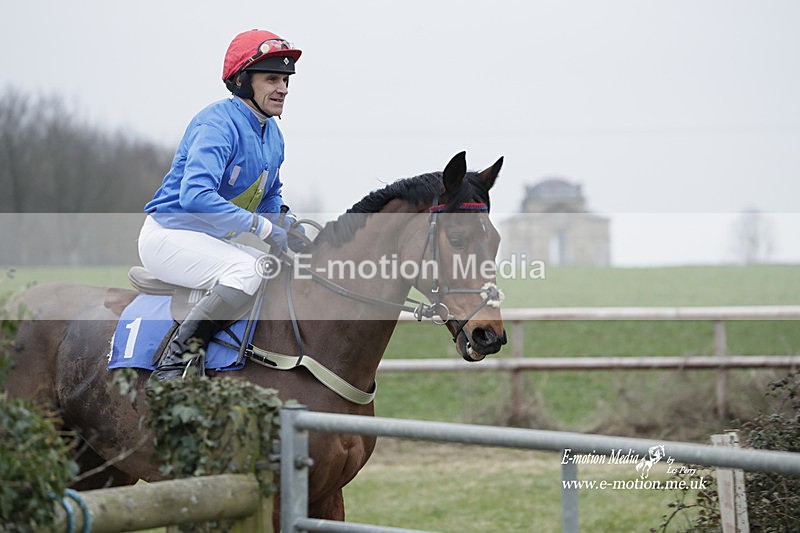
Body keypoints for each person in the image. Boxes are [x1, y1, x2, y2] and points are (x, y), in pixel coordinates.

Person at [138, 28, 304, 381]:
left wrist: (288, 224)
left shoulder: (273, 135)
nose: (284, 88)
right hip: (169, 236)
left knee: (276, 270)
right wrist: (262, 228)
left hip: (210, 241)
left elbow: (268, 197)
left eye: (286, 80)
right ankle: (174, 364)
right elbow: (195, 196)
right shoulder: (216, 123)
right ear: (242, 81)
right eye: (272, 79)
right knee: (249, 270)